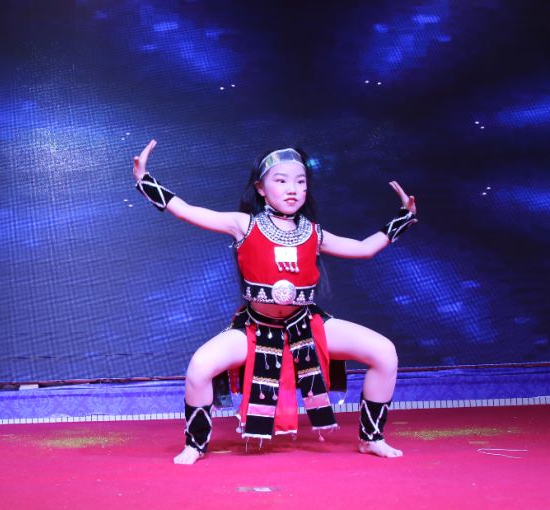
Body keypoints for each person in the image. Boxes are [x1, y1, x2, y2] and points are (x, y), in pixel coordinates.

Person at [133, 139, 417, 464]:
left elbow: (364, 248)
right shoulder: (244, 224)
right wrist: (144, 180)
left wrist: (404, 218)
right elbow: (187, 211)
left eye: (300, 181)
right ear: (261, 188)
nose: (292, 189)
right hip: (256, 328)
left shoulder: (314, 233)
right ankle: (195, 444)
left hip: (306, 326)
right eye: (281, 181)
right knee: (200, 367)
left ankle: (372, 438)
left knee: (384, 352)